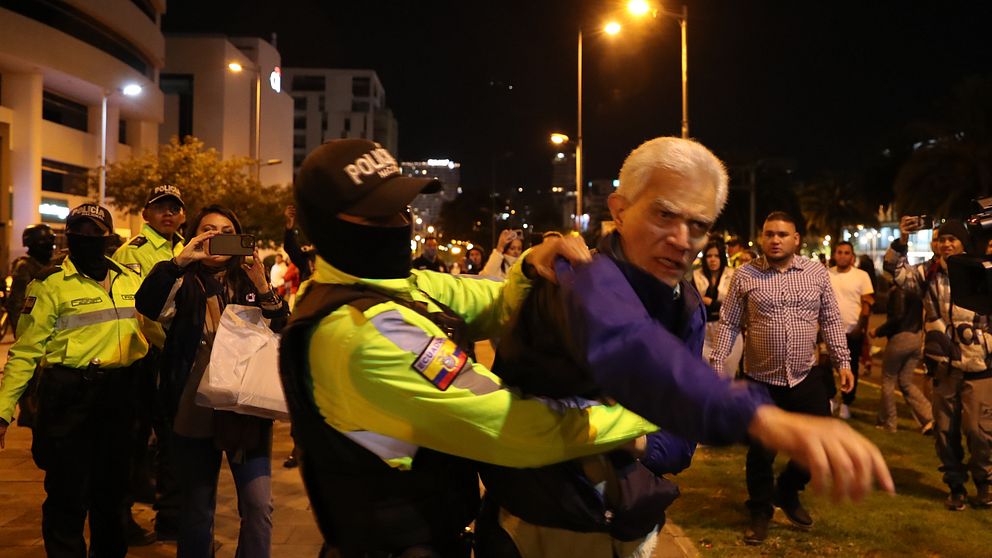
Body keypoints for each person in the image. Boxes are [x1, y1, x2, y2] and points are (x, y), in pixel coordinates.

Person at [477, 138, 891, 555]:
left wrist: (627, 438)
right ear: (619, 210)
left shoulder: (684, 302)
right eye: (664, 214)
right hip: (537, 528)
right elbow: (629, 344)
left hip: (625, 524)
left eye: (698, 225)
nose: (682, 239)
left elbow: (678, 445)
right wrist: (762, 419)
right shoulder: (572, 274)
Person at [280, 139, 661, 557]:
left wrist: (535, 259)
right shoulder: (359, 333)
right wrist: (640, 412)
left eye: (402, 206)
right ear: (331, 227)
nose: (399, 220)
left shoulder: (396, 287)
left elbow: (495, 302)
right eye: (379, 214)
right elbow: (512, 425)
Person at [135, 204, 289, 557]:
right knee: (196, 508)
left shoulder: (248, 280)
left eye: (225, 232)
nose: (215, 238)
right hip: (193, 406)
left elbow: (282, 326)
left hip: (246, 407)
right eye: (207, 230)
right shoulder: (181, 280)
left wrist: (264, 287)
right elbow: (147, 303)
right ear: (194, 237)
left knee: (258, 505)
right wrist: (178, 262)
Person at [0, 203, 150, 558]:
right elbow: (25, 352)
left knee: (112, 499)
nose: (86, 238)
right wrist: (3, 410)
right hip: (68, 400)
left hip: (119, 398)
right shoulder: (50, 284)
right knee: (67, 498)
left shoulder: (130, 279)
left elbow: (155, 332)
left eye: (94, 232)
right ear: (68, 236)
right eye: (79, 231)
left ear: (108, 238)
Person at [710, 211, 857, 545]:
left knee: (820, 441)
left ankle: (788, 490)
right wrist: (718, 365)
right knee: (761, 451)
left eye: (782, 234)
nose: (775, 240)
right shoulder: (746, 275)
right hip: (760, 379)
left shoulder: (816, 272)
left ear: (796, 240)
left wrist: (843, 362)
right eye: (769, 234)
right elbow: (729, 322)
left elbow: (832, 319)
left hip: (805, 376)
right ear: (762, 238)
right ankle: (760, 511)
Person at [885, 217, 992, 510]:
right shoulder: (926, 274)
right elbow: (894, 272)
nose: (946, 244)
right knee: (944, 432)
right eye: (941, 239)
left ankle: (985, 482)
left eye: (952, 239)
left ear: (963, 243)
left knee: (979, 431)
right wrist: (901, 240)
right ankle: (955, 486)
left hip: (980, 366)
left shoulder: (982, 272)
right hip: (942, 367)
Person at [112, 184, 188, 543]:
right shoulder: (134, 252)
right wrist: (172, 345)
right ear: (145, 215)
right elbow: (139, 310)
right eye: (160, 208)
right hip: (148, 356)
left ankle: (171, 516)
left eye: (174, 208)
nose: (168, 214)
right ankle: (121, 517)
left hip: (178, 355)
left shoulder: (187, 247)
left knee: (175, 439)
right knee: (136, 439)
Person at [872, 282, 933, 434]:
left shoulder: (898, 291)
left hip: (900, 337)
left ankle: (889, 422)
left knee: (888, 379)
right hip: (916, 336)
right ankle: (929, 417)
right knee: (905, 382)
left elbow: (898, 316)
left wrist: (878, 331)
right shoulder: (917, 289)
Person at [826, 241, 875, 419]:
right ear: (834, 255)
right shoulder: (826, 274)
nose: (843, 256)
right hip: (830, 330)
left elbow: (867, 302)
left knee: (851, 367)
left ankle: (847, 402)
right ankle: (831, 397)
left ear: (852, 256)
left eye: (847, 253)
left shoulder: (861, 276)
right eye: (839, 252)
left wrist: (860, 326)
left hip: (853, 330)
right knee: (825, 366)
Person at [692, 240, 742, 378]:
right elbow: (693, 303)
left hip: (728, 331)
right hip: (705, 332)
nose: (713, 260)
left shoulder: (733, 275)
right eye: (709, 256)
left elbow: (737, 305)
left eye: (716, 256)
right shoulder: (697, 276)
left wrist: (712, 303)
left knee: (727, 376)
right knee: (707, 376)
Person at [6, 224, 56, 334]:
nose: (50, 249)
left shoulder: (51, 265)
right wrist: (22, 333)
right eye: (44, 245)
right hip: (33, 328)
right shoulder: (24, 266)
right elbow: (16, 303)